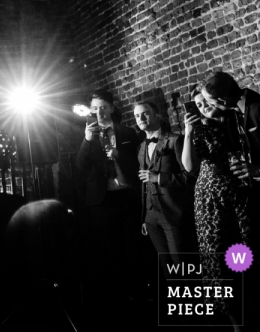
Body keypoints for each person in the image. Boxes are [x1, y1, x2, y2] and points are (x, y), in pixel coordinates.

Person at [182, 88, 252, 325]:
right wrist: (189, 131)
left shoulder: (238, 118)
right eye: (198, 106)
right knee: (219, 258)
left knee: (244, 253)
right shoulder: (199, 130)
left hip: (241, 194)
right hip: (211, 201)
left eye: (205, 102)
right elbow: (189, 167)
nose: (203, 107)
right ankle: (235, 323)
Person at [75, 90, 141, 296]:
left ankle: (136, 290)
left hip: (127, 194)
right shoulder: (88, 135)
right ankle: (116, 293)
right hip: (102, 199)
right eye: (95, 108)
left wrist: (119, 155)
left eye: (103, 107)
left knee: (132, 245)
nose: (99, 112)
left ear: (112, 108)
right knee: (108, 248)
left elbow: (138, 163)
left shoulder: (128, 133)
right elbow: (80, 166)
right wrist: (87, 140)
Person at [133, 101, 194, 279]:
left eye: (145, 113)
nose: (141, 118)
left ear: (156, 114)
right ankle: (176, 305)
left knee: (182, 269)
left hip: (173, 214)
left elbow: (190, 178)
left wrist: (159, 178)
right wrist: (145, 217)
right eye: (137, 116)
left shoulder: (175, 140)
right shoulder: (141, 147)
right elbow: (143, 184)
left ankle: (193, 305)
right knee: (168, 273)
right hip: (152, 219)